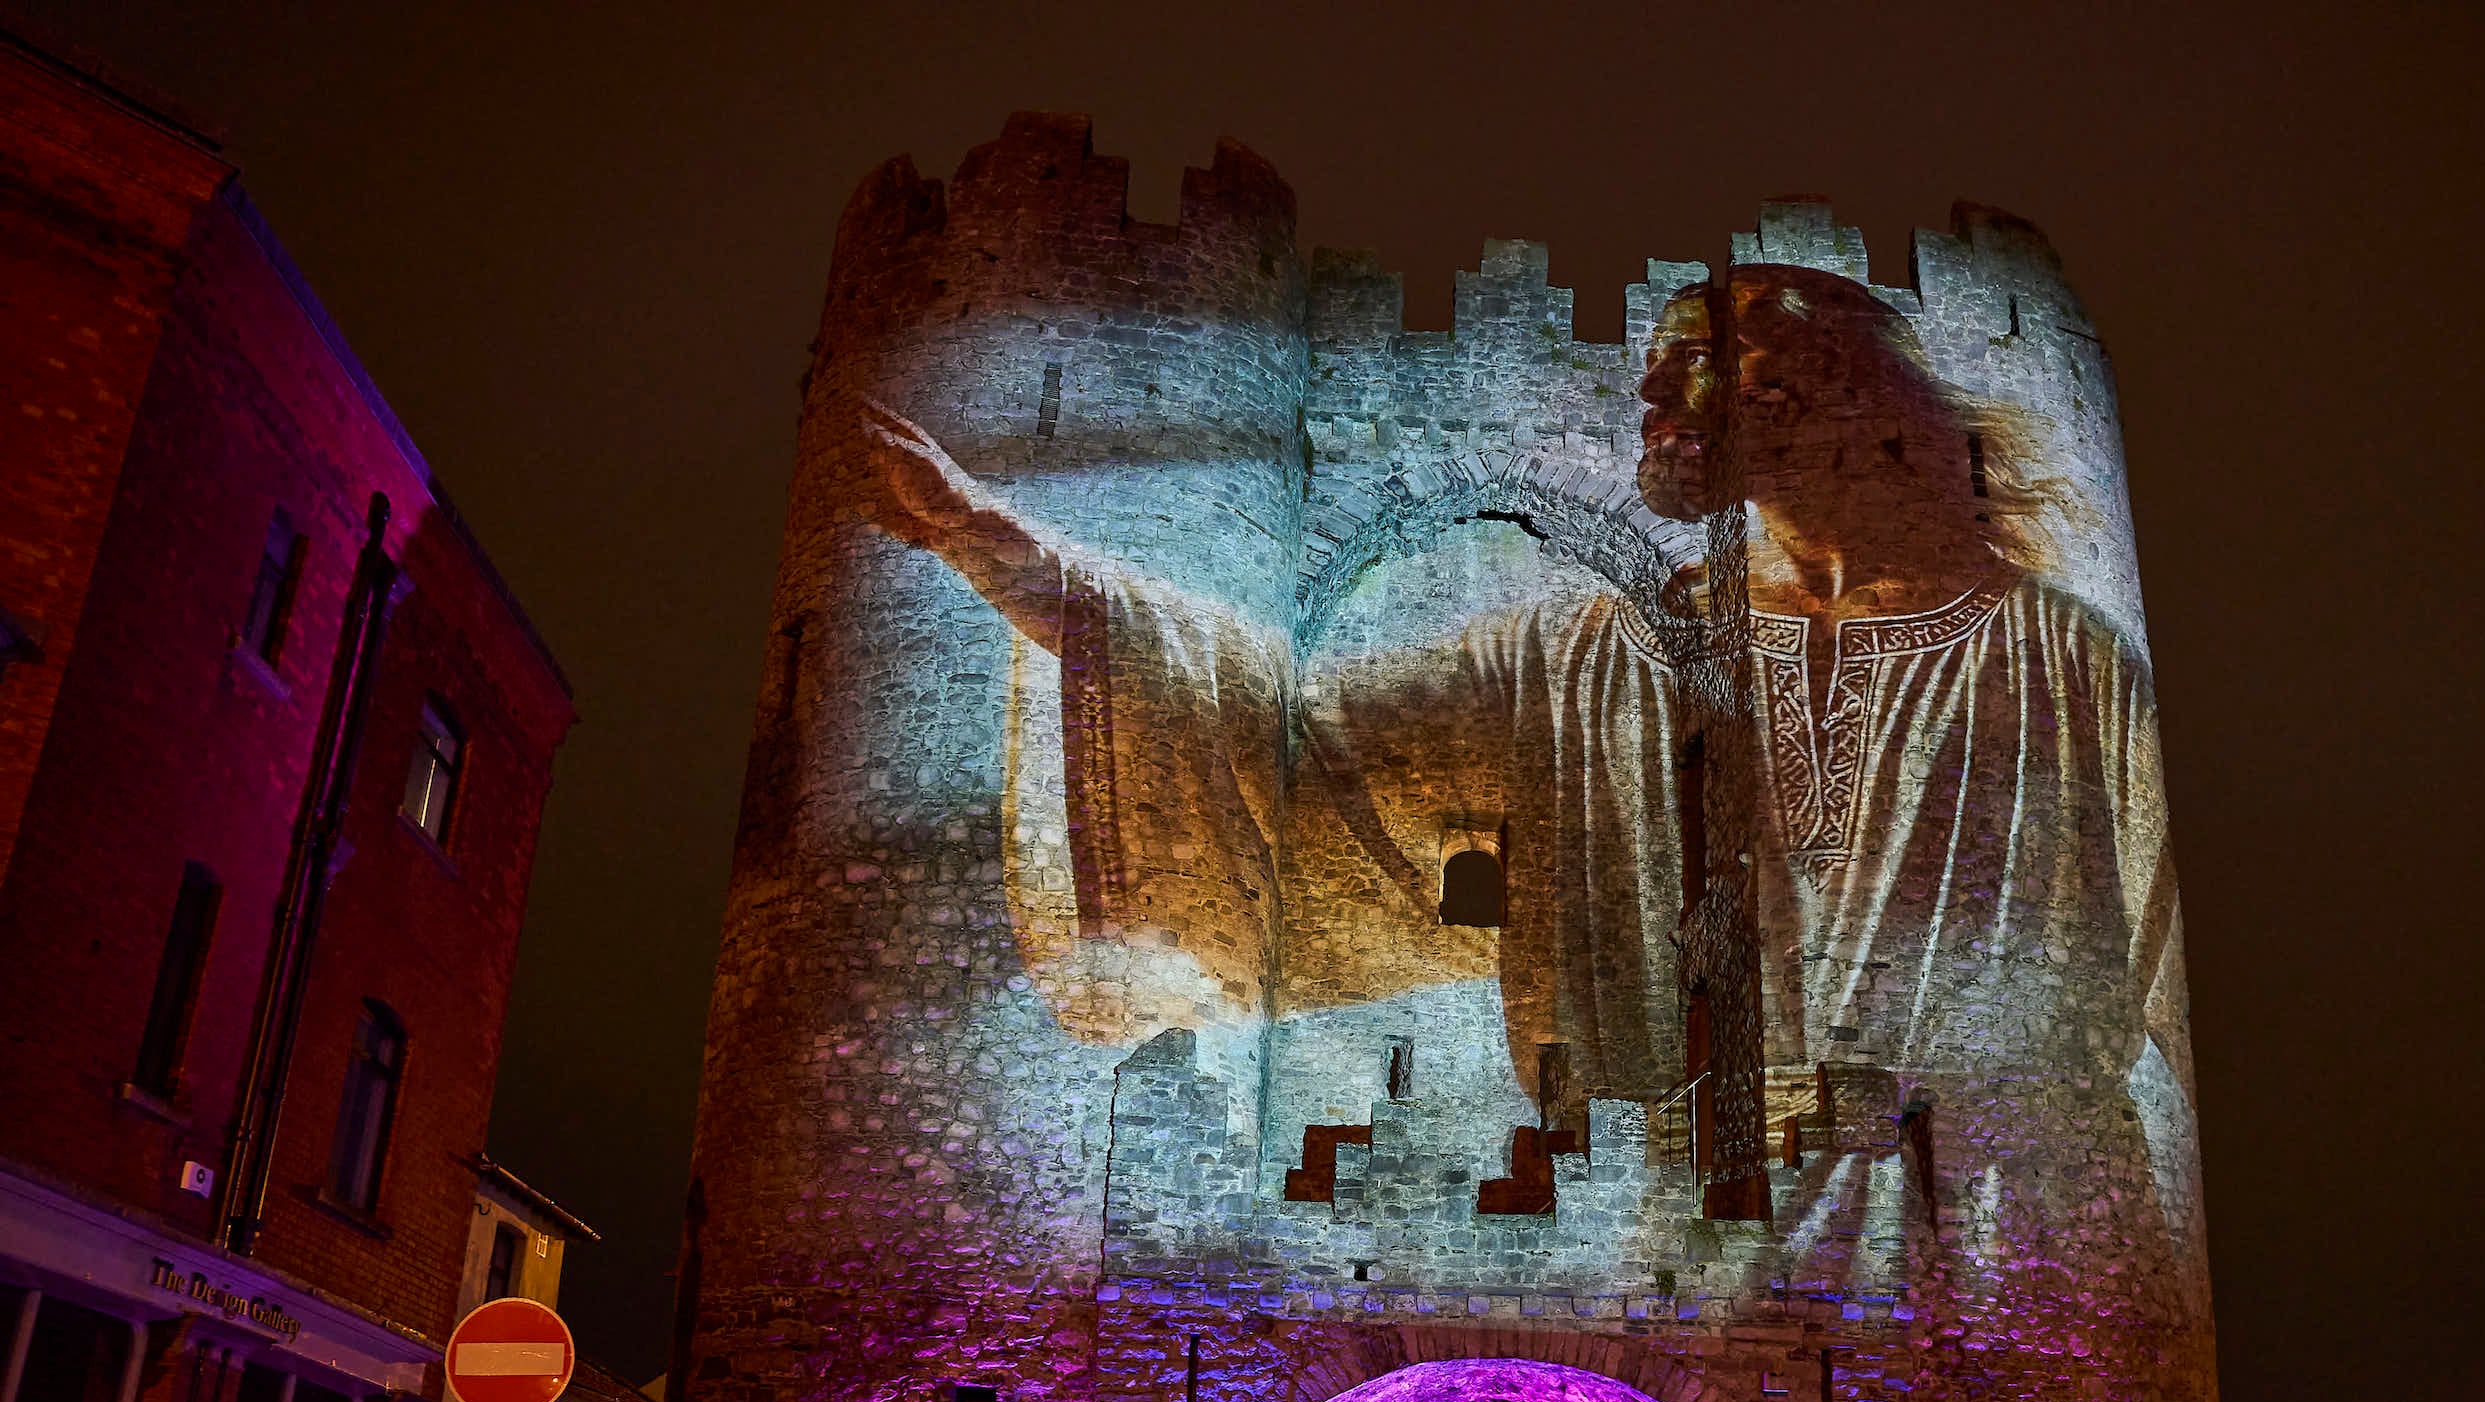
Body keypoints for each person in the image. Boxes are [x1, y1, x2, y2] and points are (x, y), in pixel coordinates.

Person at [861, 266, 2199, 1305]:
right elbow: (1289, 733)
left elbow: (2147, 984)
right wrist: (997, 542)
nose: (1646, 409)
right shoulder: (1588, 657)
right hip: (1703, 1235)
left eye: (1683, 377)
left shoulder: (2065, 662)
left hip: (2018, 1246)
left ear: (1802, 390)